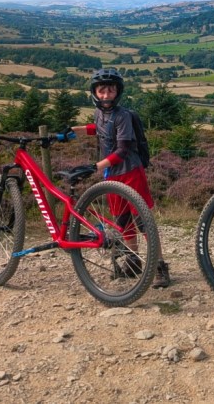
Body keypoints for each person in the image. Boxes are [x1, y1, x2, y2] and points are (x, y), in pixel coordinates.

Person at [69, 67, 171, 288]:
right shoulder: (99, 112)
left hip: (131, 173)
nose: (106, 95)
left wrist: (96, 166)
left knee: (144, 223)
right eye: (101, 90)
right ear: (95, 92)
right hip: (111, 176)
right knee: (123, 221)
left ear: (118, 92)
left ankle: (160, 267)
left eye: (110, 90)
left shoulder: (123, 116)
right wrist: (71, 130)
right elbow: (98, 129)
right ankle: (133, 262)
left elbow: (123, 149)